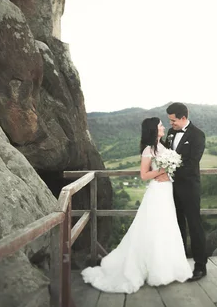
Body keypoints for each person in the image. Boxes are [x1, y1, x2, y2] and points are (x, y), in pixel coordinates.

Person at [81, 117, 192, 293]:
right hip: (156, 193)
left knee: (166, 227)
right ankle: (151, 269)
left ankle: (166, 267)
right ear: (153, 129)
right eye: (160, 125)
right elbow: (144, 175)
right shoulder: (149, 149)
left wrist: (169, 173)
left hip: (166, 191)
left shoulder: (162, 146)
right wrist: (162, 170)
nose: (163, 127)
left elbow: (169, 170)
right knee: (153, 228)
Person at [163, 102, 208, 281]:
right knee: (177, 225)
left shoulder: (198, 135)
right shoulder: (171, 132)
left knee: (194, 225)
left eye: (173, 120)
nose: (171, 124)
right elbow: (167, 153)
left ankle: (200, 266)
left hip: (189, 187)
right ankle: (180, 264)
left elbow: (192, 163)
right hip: (171, 188)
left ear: (183, 118)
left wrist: (169, 172)